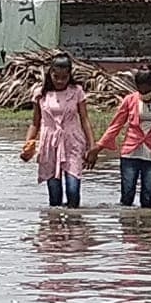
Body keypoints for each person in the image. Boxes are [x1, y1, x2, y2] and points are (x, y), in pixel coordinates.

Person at [85, 66, 151, 208]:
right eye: (140, 89)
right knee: (127, 196)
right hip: (130, 154)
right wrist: (98, 147)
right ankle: (128, 228)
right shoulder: (130, 100)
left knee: (147, 198)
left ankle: (146, 228)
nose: (143, 93)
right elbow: (115, 126)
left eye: (146, 89)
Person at [21, 53, 95, 208]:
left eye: (64, 77)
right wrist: (28, 144)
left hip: (73, 141)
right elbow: (35, 123)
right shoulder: (40, 93)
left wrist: (92, 146)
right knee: (54, 196)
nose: (60, 81)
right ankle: (55, 230)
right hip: (50, 143)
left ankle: (74, 225)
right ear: (50, 74)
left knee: (73, 188)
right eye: (56, 77)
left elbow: (85, 120)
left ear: (70, 75)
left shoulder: (77, 91)